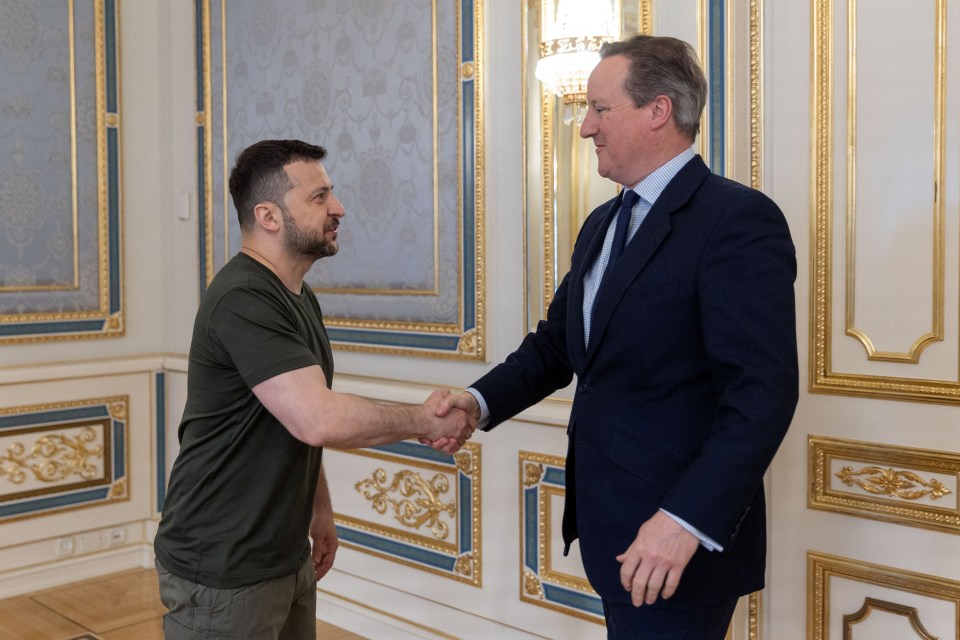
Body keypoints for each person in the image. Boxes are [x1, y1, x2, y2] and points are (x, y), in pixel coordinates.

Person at [435, 34, 798, 639]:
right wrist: (475, 403)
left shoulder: (736, 220)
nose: (584, 128)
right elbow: (558, 344)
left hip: (674, 540)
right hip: (612, 525)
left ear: (658, 110)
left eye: (600, 110)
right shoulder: (604, 221)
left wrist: (683, 520)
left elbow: (761, 393)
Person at [154, 139, 476, 640]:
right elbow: (318, 418)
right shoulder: (244, 298)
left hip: (282, 554)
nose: (339, 208)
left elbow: (294, 421)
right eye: (320, 196)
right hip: (221, 566)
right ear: (269, 216)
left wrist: (319, 509)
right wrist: (424, 420)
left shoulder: (296, 296)